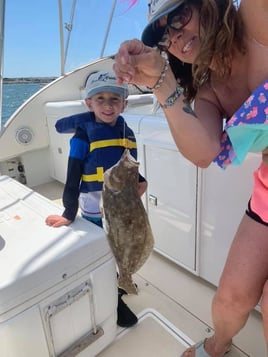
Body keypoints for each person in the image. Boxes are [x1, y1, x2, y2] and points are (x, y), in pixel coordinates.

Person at [113, 0, 268, 356]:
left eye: (180, 15)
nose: (175, 34)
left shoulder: (256, 25)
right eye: (164, 33)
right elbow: (204, 153)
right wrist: (159, 81)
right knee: (228, 299)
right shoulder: (210, 92)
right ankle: (218, 345)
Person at [45, 70, 147, 328]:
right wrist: (69, 212)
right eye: (100, 98)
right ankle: (113, 299)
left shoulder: (128, 131)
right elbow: (73, 174)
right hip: (95, 210)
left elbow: (128, 166)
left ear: (124, 103)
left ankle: (120, 281)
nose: (108, 105)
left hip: (124, 207)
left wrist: (140, 181)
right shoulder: (83, 135)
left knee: (123, 247)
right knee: (104, 252)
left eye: (115, 99)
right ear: (89, 103)